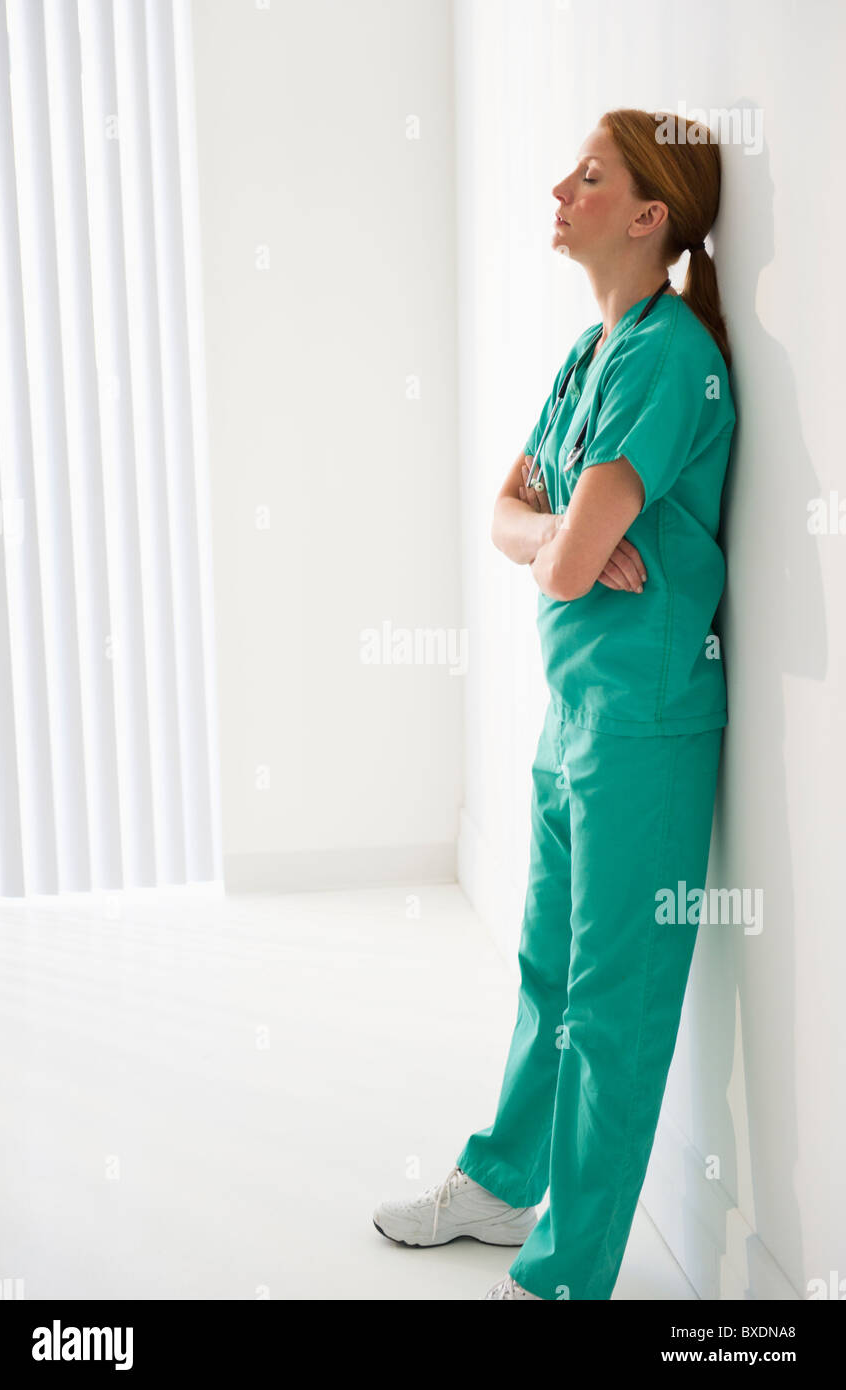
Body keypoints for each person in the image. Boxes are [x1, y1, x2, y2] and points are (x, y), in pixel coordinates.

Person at [373, 108, 736, 1300]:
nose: (559, 188)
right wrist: (556, 538)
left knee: (610, 1007)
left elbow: (572, 560)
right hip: (574, 714)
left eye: (590, 176)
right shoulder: (589, 358)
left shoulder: (672, 355)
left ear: (649, 217)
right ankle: (499, 1180)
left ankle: (566, 1273)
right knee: (546, 969)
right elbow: (518, 524)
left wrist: (561, 545)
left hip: (646, 725)